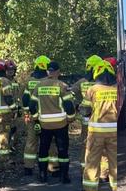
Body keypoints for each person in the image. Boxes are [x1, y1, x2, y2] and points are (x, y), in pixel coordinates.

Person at [30, 61, 76, 184]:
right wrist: (71, 118)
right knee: (62, 150)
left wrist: (35, 118)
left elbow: (31, 105)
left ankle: (43, 175)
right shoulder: (61, 85)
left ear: (47, 72)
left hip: (44, 125)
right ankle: (64, 177)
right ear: (58, 72)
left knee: (43, 150)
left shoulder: (39, 86)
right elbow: (69, 105)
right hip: (61, 124)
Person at [71, 55, 109, 182]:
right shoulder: (104, 82)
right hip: (102, 120)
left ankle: (85, 170)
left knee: (86, 146)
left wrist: (77, 105)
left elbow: (71, 93)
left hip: (87, 120)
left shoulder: (81, 82)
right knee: (103, 147)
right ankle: (104, 174)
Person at [82, 60, 118, 191]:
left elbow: (85, 110)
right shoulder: (116, 89)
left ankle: (90, 188)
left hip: (96, 132)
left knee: (92, 162)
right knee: (114, 162)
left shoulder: (92, 89)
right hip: (114, 132)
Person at [22, 55, 50, 176]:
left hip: (33, 116)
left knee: (31, 141)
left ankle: (28, 167)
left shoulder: (30, 81)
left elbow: (25, 99)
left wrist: (27, 113)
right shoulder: (50, 82)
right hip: (47, 117)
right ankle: (53, 168)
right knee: (50, 142)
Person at [5, 59, 20, 152]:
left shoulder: (15, 82)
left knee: (13, 129)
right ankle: (5, 146)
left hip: (14, 109)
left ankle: (11, 145)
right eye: (8, 70)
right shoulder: (3, 81)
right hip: (5, 110)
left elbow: (17, 96)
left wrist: (18, 108)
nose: (10, 71)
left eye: (12, 70)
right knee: (6, 129)